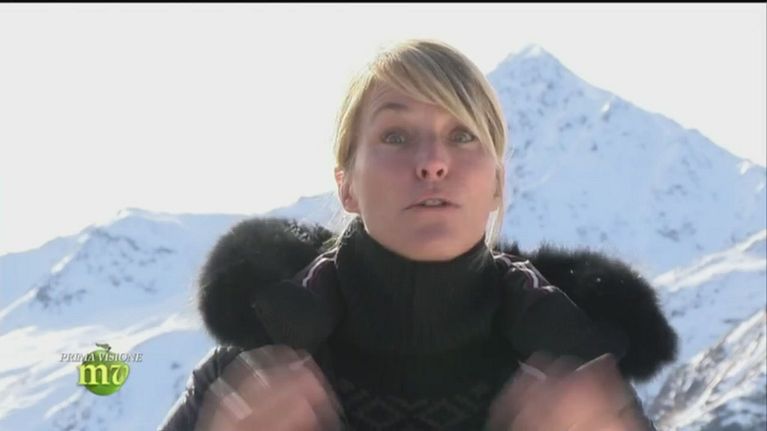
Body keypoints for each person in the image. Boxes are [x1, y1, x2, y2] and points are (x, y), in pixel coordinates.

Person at [158, 39, 678, 430]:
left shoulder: (580, 385)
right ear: (346, 186)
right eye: (396, 136)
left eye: (462, 135)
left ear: (497, 183)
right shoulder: (247, 377)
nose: (432, 162)